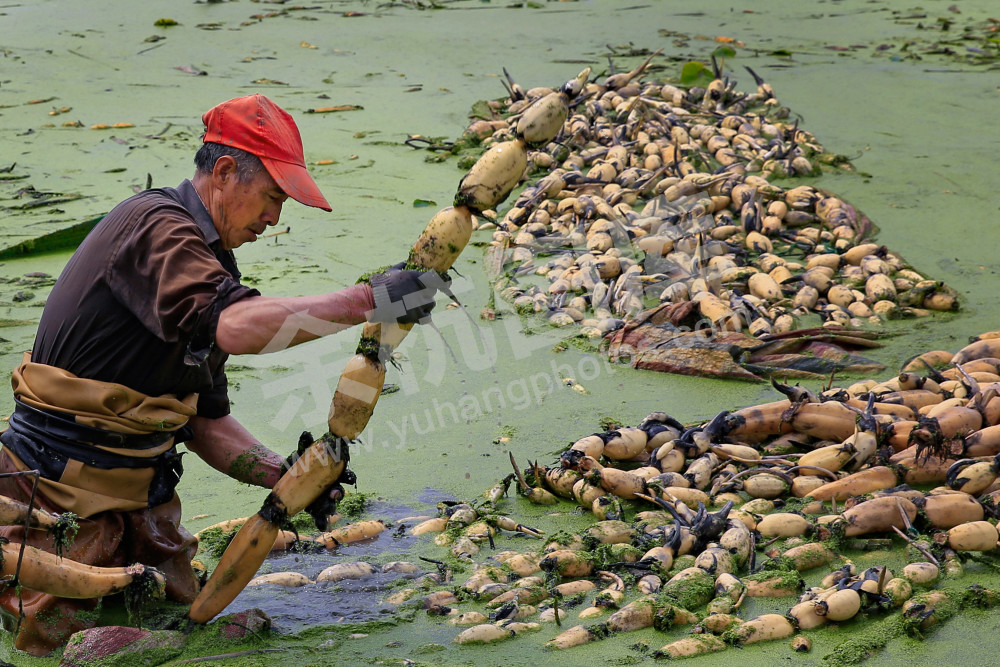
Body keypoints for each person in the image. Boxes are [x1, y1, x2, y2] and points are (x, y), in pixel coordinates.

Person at [0, 94, 441, 656]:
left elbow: (206, 422)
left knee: (179, 632)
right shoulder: (156, 228)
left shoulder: (212, 263)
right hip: (56, 506)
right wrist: (368, 299)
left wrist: (286, 478)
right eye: (273, 197)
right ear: (227, 171)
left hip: (144, 511)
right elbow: (237, 328)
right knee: (61, 649)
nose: (276, 217)